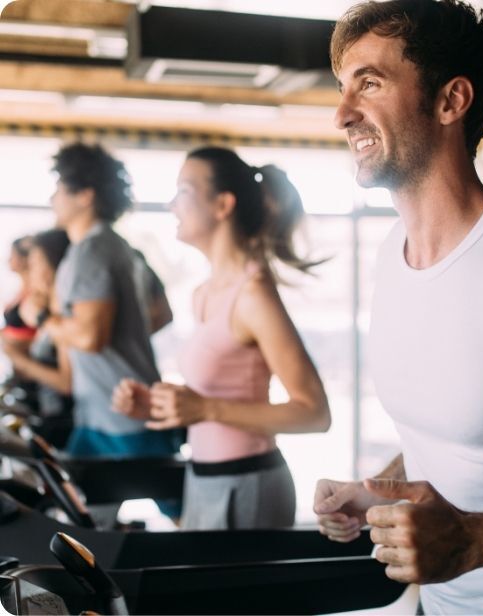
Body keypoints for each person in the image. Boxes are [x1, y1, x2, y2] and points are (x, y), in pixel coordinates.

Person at [313, 1, 483, 614]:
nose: (343, 114)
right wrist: (378, 492)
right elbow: (455, 441)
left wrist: (479, 539)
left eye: (369, 83)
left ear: (451, 101)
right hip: (432, 602)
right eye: (344, 88)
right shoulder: (391, 260)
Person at [113, 146, 331, 530]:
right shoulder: (204, 294)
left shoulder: (253, 294)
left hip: (249, 482)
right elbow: (214, 397)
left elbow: (315, 413)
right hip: (204, 478)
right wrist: (159, 407)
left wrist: (205, 409)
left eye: (183, 191)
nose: (171, 205)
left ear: (222, 205)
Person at [39, 142, 181, 458]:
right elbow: (160, 315)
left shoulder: (91, 251)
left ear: (85, 196)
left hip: (121, 415)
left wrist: (43, 319)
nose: (53, 199)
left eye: (60, 189)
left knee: (178, 505)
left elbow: (90, 337)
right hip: (103, 411)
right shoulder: (117, 246)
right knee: (73, 497)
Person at [2, 229, 73, 448]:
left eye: (35, 264)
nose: (30, 272)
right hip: (45, 409)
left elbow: (66, 382)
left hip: (62, 417)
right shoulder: (46, 312)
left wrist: (16, 356)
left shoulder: (59, 317)